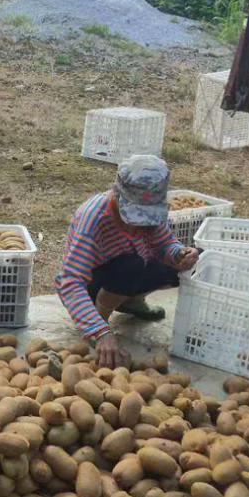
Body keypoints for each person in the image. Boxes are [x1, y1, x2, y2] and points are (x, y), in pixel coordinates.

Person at [56, 155, 199, 369]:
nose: (137, 227)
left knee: (185, 267)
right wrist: (100, 331)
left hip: (133, 267)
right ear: (117, 195)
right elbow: (70, 281)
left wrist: (179, 254)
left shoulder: (151, 213)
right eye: (133, 218)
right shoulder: (94, 218)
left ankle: (130, 302)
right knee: (130, 266)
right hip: (93, 285)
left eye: (144, 219)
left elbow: (163, 244)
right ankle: (99, 320)